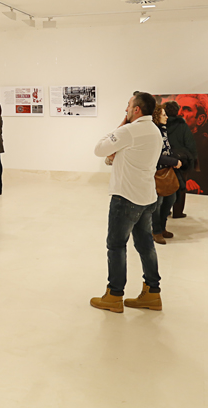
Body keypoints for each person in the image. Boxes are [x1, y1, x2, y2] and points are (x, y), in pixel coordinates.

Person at [91, 92, 164, 313]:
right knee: (145, 246)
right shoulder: (155, 131)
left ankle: (114, 295)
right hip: (146, 197)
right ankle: (153, 292)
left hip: (126, 198)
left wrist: (121, 126)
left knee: (116, 246)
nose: (126, 109)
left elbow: (99, 149)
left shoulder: (130, 130)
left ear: (137, 110)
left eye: (129, 106)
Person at [151, 104, 182, 244]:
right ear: (156, 116)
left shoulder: (163, 130)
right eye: (164, 115)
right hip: (156, 172)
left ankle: (162, 228)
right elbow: (155, 155)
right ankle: (156, 231)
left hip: (166, 171)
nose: (167, 117)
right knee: (157, 204)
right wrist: (173, 161)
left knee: (170, 199)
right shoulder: (153, 132)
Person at [164, 101, 198, 219]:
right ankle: (178, 212)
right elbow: (190, 144)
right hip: (181, 161)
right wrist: (193, 160)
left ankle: (165, 211)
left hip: (165, 160)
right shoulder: (182, 125)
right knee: (181, 186)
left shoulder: (160, 125)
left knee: (165, 186)